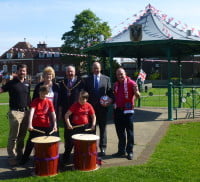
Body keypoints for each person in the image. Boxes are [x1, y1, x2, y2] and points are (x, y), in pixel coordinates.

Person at [0, 64, 31, 166]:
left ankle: (19, 154)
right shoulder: (11, 83)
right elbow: (1, 90)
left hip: (26, 112)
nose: (23, 72)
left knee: (22, 136)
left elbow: (28, 99)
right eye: (21, 71)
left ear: (26, 72)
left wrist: (31, 111)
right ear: (17, 71)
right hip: (15, 112)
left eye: (24, 71)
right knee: (13, 136)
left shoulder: (27, 83)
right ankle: (11, 156)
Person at [20, 85, 58, 164]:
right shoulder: (35, 101)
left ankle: (48, 158)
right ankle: (24, 159)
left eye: (45, 94)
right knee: (30, 143)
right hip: (36, 126)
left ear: (47, 93)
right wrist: (30, 124)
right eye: (42, 93)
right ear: (39, 92)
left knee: (48, 142)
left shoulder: (49, 102)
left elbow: (53, 114)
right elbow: (31, 112)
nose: (43, 95)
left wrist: (55, 125)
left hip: (46, 126)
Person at [84, 61, 113, 156]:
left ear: (100, 68)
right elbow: (85, 94)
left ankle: (103, 148)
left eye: (97, 68)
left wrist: (110, 100)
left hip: (103, 109)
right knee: (92, 128)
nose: (96, 70)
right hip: (91, 109)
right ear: (92, 69)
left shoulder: (107, 79)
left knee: (103, 128)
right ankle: (92, 147)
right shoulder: (87, 80)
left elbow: (110, 93)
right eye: (94, 68)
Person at [112, 68, 140, 160]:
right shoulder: (115, 84)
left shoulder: (132, 83)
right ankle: (121, 151)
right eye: (118, 74)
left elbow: (138, 96)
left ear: (125, 74)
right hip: (118, 111)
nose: (120, 76)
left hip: (128, 111)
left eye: (121, 74)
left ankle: (130, 151)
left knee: (129, 132)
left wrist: (137, 92)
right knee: (120, 132)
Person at [58, 65, 84, 159]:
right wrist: (60, 112)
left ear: (75, 72)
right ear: (66, 73)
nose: (70, 73)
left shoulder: (81, 82)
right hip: (66, 113)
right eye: (68, 71)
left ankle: (77, 153)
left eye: (71, 71)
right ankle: (67, 152)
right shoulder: (62, 83)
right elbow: (60, 99)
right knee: (67, 133)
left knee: (77, 133)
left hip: (77, 112)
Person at [64, 90, 96, 162]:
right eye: (79, 99)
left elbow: (93, 116)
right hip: (75, 127)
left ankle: (83, 159)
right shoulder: (75, 105)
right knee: (70, 144)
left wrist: (93, 125)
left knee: (84, 144)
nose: (81, 100)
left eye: (83, 99)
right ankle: (65, 158)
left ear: (86, 99)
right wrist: (68, 124)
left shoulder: (89, 105)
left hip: (85, 127)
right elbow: (66, 115)